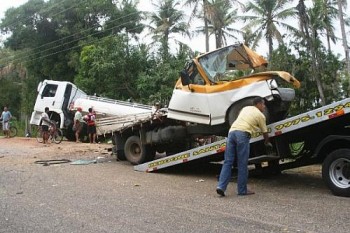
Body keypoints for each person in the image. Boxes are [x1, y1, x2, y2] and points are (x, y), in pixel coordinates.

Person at [216, 96, 272, 196]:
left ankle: (221, 187)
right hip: (242, 134)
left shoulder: (245, 108)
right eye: (263, 104)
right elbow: (265, 132)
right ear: (258, 104)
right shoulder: (260, 115)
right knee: (242, 163)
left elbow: (240, 117)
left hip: (232, 132)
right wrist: (267, 142)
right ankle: (242, 190)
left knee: (228, 162)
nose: (264, 106)